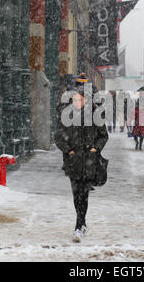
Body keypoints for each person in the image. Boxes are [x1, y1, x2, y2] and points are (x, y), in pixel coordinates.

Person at [54, 85, 109, 243]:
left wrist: (94, 148)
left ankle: (78, 226)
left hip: (89, 161)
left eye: (81, 99)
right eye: (75, 99)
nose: (77, 101)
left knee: (83, 194)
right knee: (76, 195)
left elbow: (103, 135)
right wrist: (68, 149)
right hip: (73, 161)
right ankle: (82, 222)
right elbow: (58, 136)